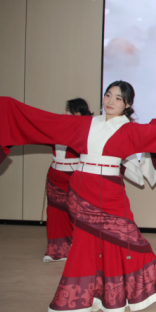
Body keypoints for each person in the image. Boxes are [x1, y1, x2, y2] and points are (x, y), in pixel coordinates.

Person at [0, 81, 156, 312]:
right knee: (86, 246)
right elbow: (43, 122)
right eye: (108, 95)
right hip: (81, 192)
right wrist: (6, 108)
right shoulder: (84, 124)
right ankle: (90, 296)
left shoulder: (130, 130)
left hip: (110, 193)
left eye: (118, 98)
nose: (110, 101)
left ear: (128, 104)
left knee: (131, 241)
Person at [43, 98, 93, 262]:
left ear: (77, 113)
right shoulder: (57, 126)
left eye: (67, 110)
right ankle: (56, 251)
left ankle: (78, 248)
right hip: (55, 176)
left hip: (74, 176)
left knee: (77, 213)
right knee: (55, 213)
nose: (63, 112)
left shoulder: (87, 129)